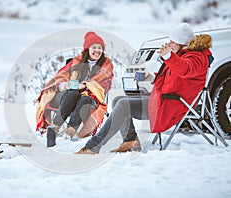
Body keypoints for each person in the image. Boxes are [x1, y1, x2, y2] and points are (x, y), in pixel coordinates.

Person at [76, 23, 213, 154]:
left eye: (172, 41)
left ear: (181, 43)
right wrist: (151, 77)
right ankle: (130, 141)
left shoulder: (196, 58)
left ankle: (93, 146)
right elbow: (175, 78)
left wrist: (168, 56)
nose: (170, 44)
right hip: (165, 98)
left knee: (124, 104)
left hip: (172, 105)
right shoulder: (184, 55)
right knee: (118, 99)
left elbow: (184, 69)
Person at [36, 31, 114, 139]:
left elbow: (105, 85)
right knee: (73, 93)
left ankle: (70, 131)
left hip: (92, 97)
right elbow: (60, 79)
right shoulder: (76, 62)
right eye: (94, 47)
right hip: (69, 94)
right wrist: (71, 85)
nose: (97, 50)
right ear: (87, 49)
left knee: (84, 99)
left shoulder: (107, 67)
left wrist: (87, 86)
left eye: (99, 48)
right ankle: (54, 127)